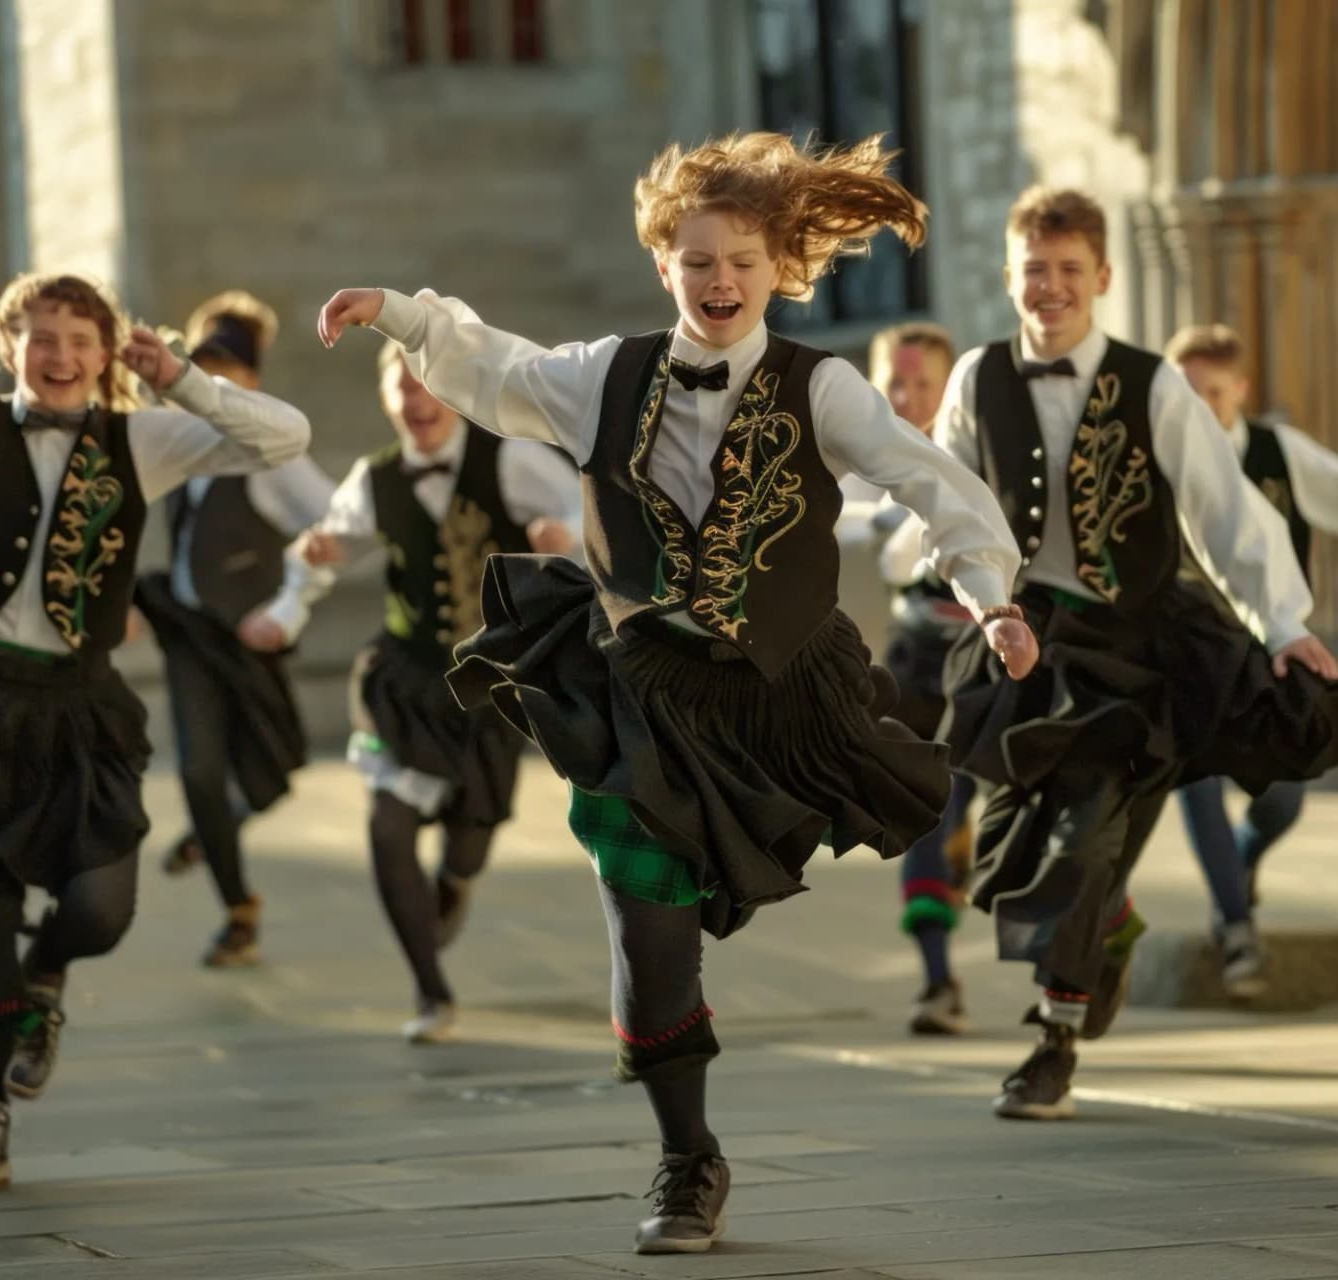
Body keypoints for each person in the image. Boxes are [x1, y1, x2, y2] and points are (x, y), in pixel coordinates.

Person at [314, 131, 1034, 1254]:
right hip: (639, 691)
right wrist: (399, 312)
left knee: (825, 842)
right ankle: (688, 1157)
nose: (720, 281)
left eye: (742, 260)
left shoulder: (822, 386)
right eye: (698, 260)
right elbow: (497, 370)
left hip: (781, 691)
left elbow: (928, 479)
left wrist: (990, 596)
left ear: (780, 267)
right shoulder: (607, 372)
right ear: (664, 262)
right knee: (649, 944)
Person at [0, 207, 310, 1195]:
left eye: (79, 341)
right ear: (8, 345)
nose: (57, 355)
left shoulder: (150, 438)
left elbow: (284, 438)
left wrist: (180, 373)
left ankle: (47, 975)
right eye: (39, 338)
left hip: (82, 707)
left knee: (101, 906)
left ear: (104, 355)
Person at [933, 186, 1338, 1122]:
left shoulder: (1153, 382)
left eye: (1069, 271)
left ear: (1105, 279)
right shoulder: (975, 379)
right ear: (1009, 276)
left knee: (1085, 837)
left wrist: (1284, 624)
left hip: (1140, 648)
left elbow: (1225, 512)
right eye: (1034, 271)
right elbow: (953, 506)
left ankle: (1053, 1040)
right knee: (1012, 854)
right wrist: (986, 599)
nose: (1051, 289)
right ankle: (1109, 932)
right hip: (1028, 644)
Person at [243, 339, 580, 1041]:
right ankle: (432, 992)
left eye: (429, 385)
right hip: (403, 681)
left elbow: (591, 513)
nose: (417, 401)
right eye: (402, 387)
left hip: (490, 685)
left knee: (472, 838)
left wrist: (565, 534)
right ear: (386, 397)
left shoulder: (511, 459)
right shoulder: (375, 479)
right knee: (388, 826)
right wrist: (288, 605)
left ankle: (456, 881)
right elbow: (322, 550)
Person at [1165, 322, 1338, 996]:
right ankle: (1236, 928)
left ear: (1240, 390)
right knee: (1196, 786)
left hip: (1268, 655)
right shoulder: (1156, 456)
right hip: (1185, 655)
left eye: (1213, 392)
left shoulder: (1280, 452)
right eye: (1187, 392)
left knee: (1282, 799)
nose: (1201, 406)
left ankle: (1243, 868)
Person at [133, 289, 333, 968]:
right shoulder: (178, 439)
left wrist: (286, 605)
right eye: (206, 364)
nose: (216, 380)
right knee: (197, 770)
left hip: (247, 637)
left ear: (254, 380)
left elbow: (335, 526)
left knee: (274, 775)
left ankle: (211, 830)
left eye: (231, 369)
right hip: (191, 633)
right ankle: (236, 907)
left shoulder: (271, 453)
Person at [860, 324, 976, 1034]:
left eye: (922, 384)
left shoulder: (978, 455)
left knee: (972, 806)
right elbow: (866, 538)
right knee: (922, 802)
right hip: (915, 658)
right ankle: (938, 980)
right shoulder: (864, 460)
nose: (907, 399)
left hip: (987, 660)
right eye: (895, 385)